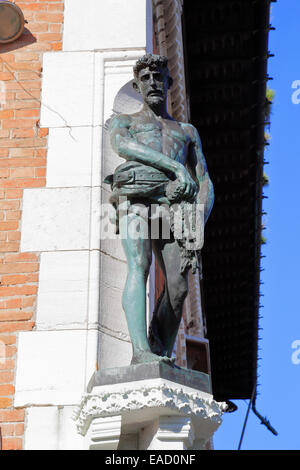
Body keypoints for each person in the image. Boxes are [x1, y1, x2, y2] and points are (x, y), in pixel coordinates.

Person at [105, 54, 214, 365]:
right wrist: (174, 168)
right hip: (136, 199)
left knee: (179, 287)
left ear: (168, 83)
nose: (153, 83)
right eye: (146, 78)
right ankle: (140, 352)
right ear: (138, 86)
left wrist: (198, 218)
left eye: (158, 78)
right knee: (138, 266)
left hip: (175, 207)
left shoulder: (187, 131)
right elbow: (123, 147)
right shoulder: (124, 121)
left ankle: (158, 350)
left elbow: (204, 179)